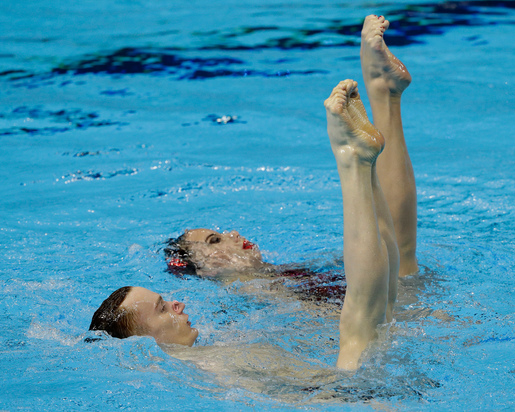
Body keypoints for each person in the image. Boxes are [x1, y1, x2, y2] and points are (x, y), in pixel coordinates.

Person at [90, 15, 415, 371]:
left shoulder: (215, 353)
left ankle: (370, 133)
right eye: (214, 241)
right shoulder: (228, 340)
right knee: (374, 316)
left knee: (382, 299)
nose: (231, 235)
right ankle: (359, 151)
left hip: (357, 370)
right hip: (359, 375)